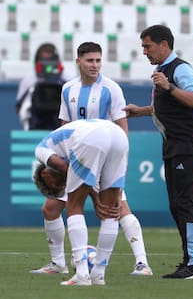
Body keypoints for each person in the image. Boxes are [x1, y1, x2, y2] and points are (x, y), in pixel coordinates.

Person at [30, 42, 152, 277]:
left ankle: (142, 263)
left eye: (98, 60)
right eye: (89, 61)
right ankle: (58, 263)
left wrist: (115, 162)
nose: (94, 65)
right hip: (79, 159)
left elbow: (122, 129)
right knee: (51, 208)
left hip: (105, 156)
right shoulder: (68, 89)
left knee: (117, 208)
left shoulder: (112, 89)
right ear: (78, 62)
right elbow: (65, 127)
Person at [123, 25, 193, 280]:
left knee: (183, 203)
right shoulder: (162, 72)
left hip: (188, 145)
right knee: (179, 204)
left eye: (147, 46)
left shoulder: (179, 69)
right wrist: (139, 111)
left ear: (164, 45)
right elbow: (164, 107)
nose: (144, 52)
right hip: (177, 146)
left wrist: (169, 87)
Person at [33, 119, 129, 286]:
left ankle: (82, 275)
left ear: (44, 174)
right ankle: (99, 275)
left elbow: (66, 168)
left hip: (90, 138)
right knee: (110, 210)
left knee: (74, 206)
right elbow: (84, 175)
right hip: (118, 136)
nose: (63, 184)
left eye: (57, 185)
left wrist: (95, 198)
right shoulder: (62, 145)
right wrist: (102, 198)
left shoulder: (41, 150)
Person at [16, 43, 67, 130]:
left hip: (61, 126)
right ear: (37, 60)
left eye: (50, 59)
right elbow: (20, 107)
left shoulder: (67, 79)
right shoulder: (29, 80)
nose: (47, 64)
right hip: (35, 125)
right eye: (43, 59)